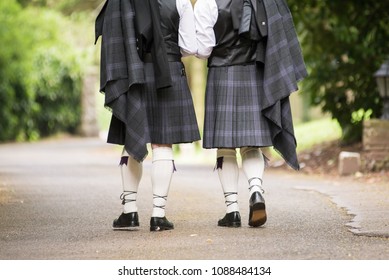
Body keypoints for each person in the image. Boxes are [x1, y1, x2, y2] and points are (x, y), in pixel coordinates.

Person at [194, 0, 307, 227]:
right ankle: (256, 190)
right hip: (254, 74)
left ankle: (232, 210)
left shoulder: (207, 2)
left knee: (225, 147)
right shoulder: (264, 2)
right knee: (251, 144)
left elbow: (204, 49)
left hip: (221, 73)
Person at [95, 0, 200, 231]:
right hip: (169, 71)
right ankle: (158, 215)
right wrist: (168, 51)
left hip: (135, 72)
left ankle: (129, 212)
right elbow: (191, 47)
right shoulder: (181, 1)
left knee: (133, 135)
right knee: (163, 143)